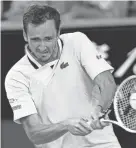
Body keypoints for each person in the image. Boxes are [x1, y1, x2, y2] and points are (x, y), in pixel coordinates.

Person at [5, 4, 121, 148]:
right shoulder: (16, 76)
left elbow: (107, 83)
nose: (42, 47)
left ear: (58, 32)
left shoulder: (77, 41)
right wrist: (66, 125)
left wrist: (99, 110)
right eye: (35, 39)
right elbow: (34, 134)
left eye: (48, 38)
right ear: (24, 34)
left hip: (102, 144)